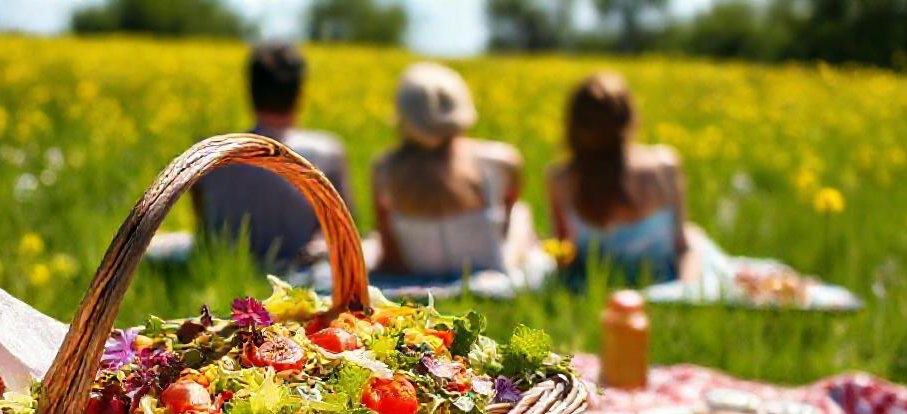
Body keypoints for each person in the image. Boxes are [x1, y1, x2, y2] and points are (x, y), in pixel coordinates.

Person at [186, 42, 354, 267]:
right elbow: (344, 236)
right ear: (299, 93)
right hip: (299, 275)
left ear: (250, 90)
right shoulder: (329, 151)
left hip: (224, 271)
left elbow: (203, 230)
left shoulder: (209, 151)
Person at [370, 62, 538, 277]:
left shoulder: (384, 167)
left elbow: (389, 250)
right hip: (490, 268)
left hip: (415, 271)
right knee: (521, 213)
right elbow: (504, 225)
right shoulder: (501, 159)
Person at [547, 72, 700, 284]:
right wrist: (685, 295)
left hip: (594, 289)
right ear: (630, 118)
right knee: (696, 235)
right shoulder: (665, 165)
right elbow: (683, 247)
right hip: (665, 283)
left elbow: (563, 256)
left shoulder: (560, 179)